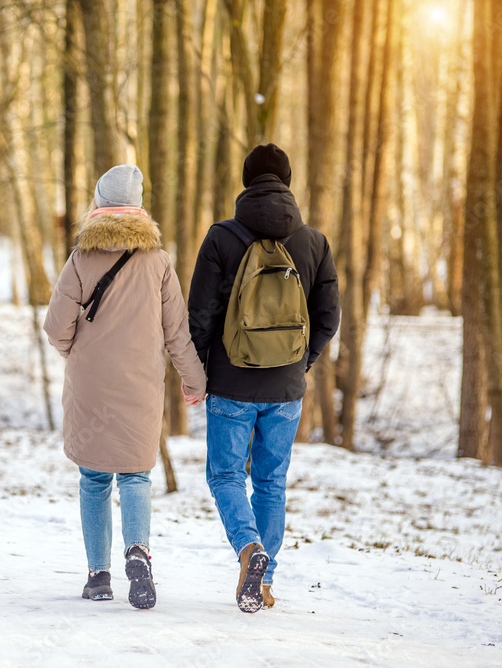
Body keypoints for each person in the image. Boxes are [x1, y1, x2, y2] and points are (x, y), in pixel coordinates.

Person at [44, 164, 207, 610]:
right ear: (137, 207)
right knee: (136, 475)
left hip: (90, 385)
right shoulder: (158, 262)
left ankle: (99, 576)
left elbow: (55, 326)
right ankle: (139, 551)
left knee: (94, 477)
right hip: (140, 385)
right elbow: (176, 332)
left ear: (98, 203)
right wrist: (194, 382)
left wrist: (76, 352)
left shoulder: (80, 257)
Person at [187, 144, 340, 613]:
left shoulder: (221, 237)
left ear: (245, 181)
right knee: (271, 482)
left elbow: (201, 315)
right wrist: (302, 362)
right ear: (287, 181)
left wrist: (198, 370)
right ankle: (264, 580)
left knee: (227, 474)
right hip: (286, 388)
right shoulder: (314, 242)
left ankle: (248, 547)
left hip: (231, 384)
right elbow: (329, 318)